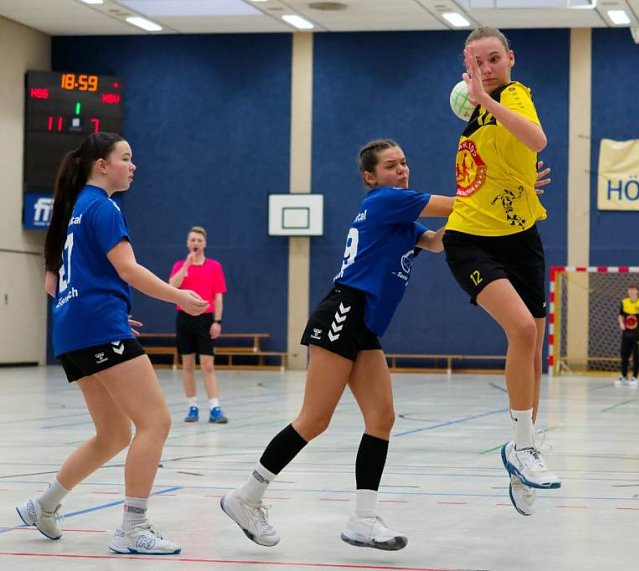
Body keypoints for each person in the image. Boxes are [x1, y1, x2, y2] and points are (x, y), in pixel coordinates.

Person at [220, 139, 453, 550]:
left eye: (404, 163)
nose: (401, 170)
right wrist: (492, 187)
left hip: (364, 324)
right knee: (314, 419)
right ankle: (246, 496)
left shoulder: (400, 216)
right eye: (391, 165)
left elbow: (435, 241)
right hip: (343, 312)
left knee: (382, 417)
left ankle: (363, 519)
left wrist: (474, 217)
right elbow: (450, 205)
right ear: (370, 176)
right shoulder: (385, 201)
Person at [16, 132, 209, 554]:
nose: (133, 165)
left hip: (72, 331)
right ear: (101, 165)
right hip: (98, 328)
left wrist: (95, 308)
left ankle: (42, 505)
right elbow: (128, 269)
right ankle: (131, 528)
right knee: (155, 422)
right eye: (126, 158)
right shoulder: (103, 207)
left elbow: (53, 282)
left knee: (112, 433)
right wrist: (180, 297)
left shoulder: (72, 212)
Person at [441, 26, 558, 518]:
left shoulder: (513, 96)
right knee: (522, 328)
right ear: (467, 70)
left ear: (509, 58)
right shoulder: (474, 119)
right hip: (471, 241)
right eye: (476, 64)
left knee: (532, 352)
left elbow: (537, 138)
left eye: (493, 59)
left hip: (521, 239)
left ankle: (522, 449)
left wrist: (525, 181)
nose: (487, 70)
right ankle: (521, 449)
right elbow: (482, 181)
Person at [169, 226, 228, 424]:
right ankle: (192, 406)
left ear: (205, 243)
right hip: (184, 319)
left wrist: (217, 321)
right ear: (187, 243)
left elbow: (218, 296)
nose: (195, 243)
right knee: (187, 365)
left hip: (205, 319)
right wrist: (186, 265)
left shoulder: (214, 266)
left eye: (199, 240)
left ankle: (215, 407)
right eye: (192, 240)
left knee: (207, 365)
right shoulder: (180, 265)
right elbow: (172, 287)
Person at [615, 284, 639, 387]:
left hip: (638, 335)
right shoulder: (624, 302)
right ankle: (623, 376)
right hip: (626, 334)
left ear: (637, 292)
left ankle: (635, 378)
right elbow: (620, 315)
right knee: (624, 356)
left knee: (636, 356)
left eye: (634, 290)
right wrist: (621, 324)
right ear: (628, 292)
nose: (632, 292)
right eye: (630, 290)